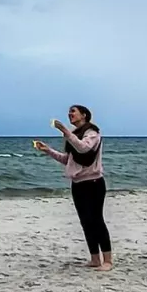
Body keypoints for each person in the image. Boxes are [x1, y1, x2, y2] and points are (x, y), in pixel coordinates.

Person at [32, 104, 112, 269]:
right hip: (78, 184)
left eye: (73, 111)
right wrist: (48, 150)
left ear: (84, 115)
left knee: (97, 220)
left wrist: (64, 131)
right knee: (85, 222)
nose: (69, 114)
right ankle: (95, 259)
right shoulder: (73, 136)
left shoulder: (92, 133)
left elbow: (83, 148)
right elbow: (67, 160)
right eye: (68, 112)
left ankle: (108, 260)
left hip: (94, 183)